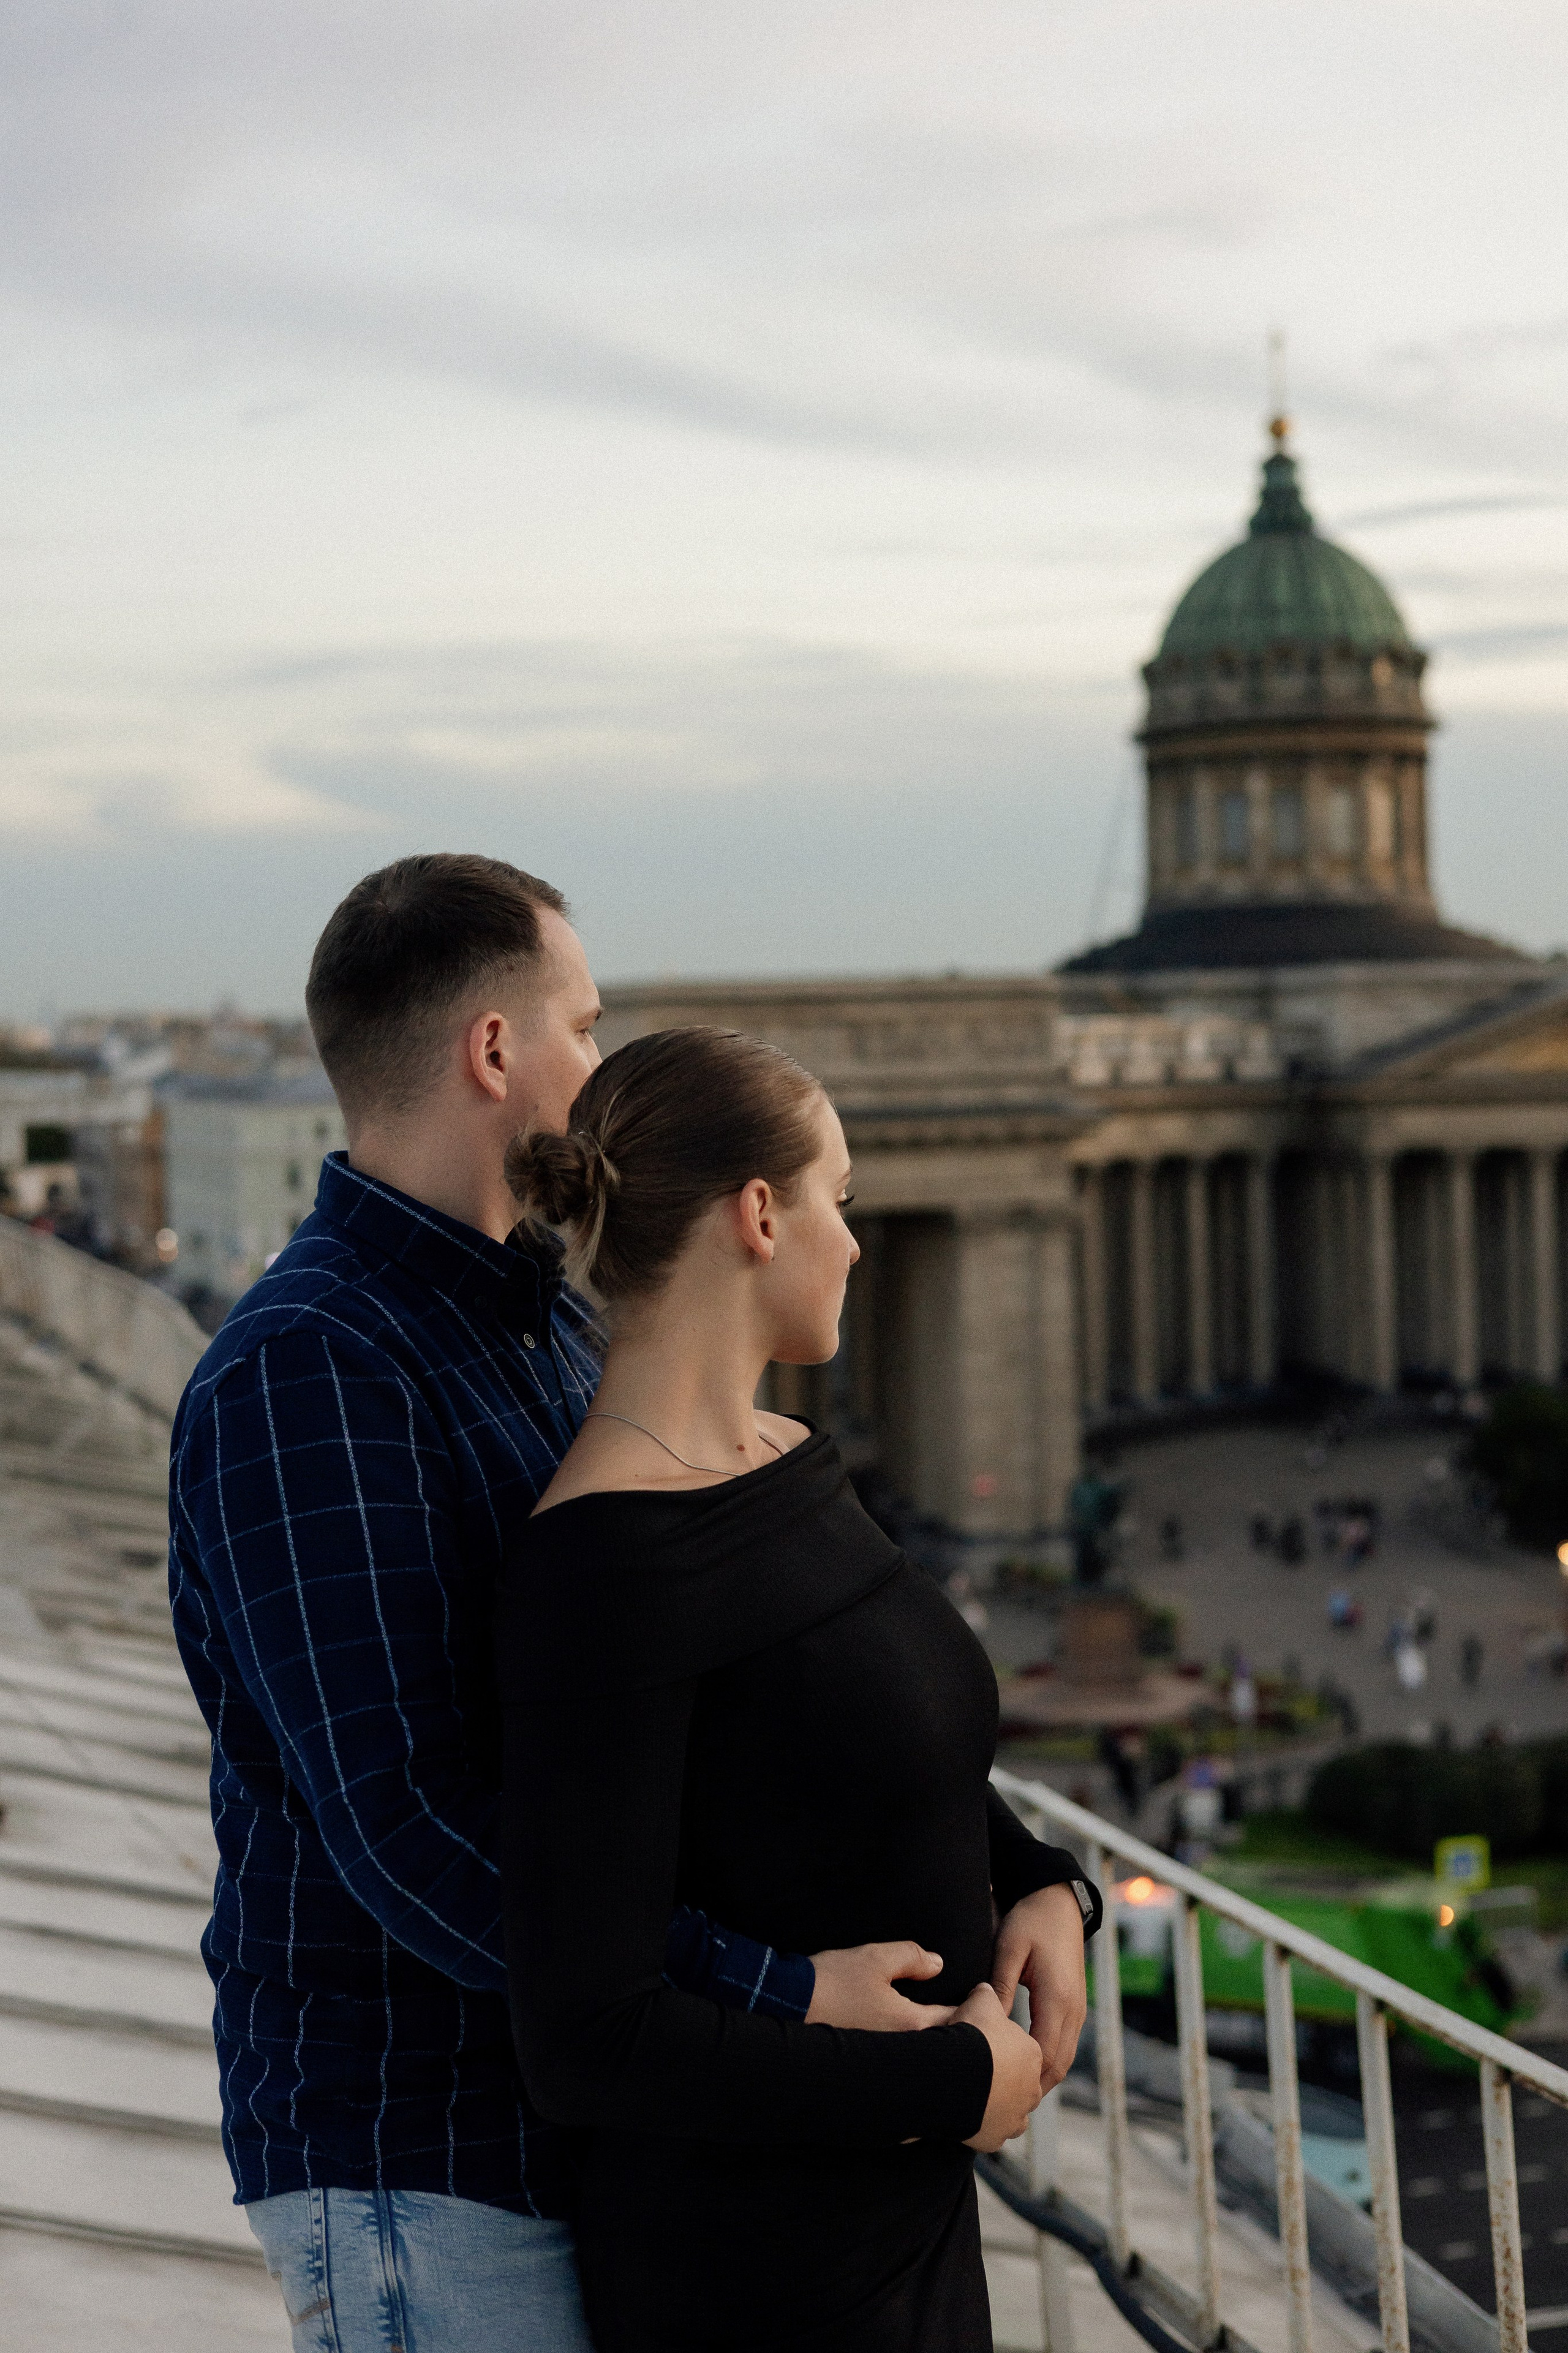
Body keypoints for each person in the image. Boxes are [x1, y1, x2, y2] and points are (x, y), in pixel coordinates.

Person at [168, 856, 1095, 2352]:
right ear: (492, 1050)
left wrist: (1028, 1868)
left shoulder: (525, 1326)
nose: (598, 1069)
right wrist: (780, 1993)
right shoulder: (311, 1368)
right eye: (583, 1025)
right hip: (426, 2154)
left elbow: (720, 1712)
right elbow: (413, 1829)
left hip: (586, 2134)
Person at [500, 1027, 1099, 2353]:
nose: (855, 1241)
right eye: (840, 1197)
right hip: (759, 2277)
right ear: (757, 1215)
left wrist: (1050, 1881)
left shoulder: (781, 1456)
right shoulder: (598, 1566)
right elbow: (586, 2033)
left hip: (897, 2218)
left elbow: (880, 1745)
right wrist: (942, 2077)